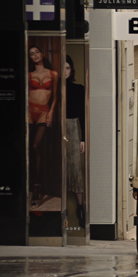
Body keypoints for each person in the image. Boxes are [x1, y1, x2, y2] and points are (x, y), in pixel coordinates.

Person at [28, 45, 58, 209]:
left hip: (43, 112)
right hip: (30, 110)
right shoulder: (29, 75)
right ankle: (31, 185)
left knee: (35, 146)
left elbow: (55, 96)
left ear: (42, 53)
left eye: (37, 52)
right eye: (31, 54)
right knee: (28, 149)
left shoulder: (53, 74)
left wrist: (51, 112)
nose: (35, 55)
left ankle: (37, 188)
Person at [65, 56, 86, 225]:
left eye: (68, 68)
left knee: (75, 168)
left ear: (71, 70)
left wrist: (83, 139)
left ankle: (80, 207)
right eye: (62, 68)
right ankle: (60, 210)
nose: (65, 71)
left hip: (72, 127)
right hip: (55, 127)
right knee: (57, 167)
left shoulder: (78, 89)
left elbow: (82, 115)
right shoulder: (54, 88)